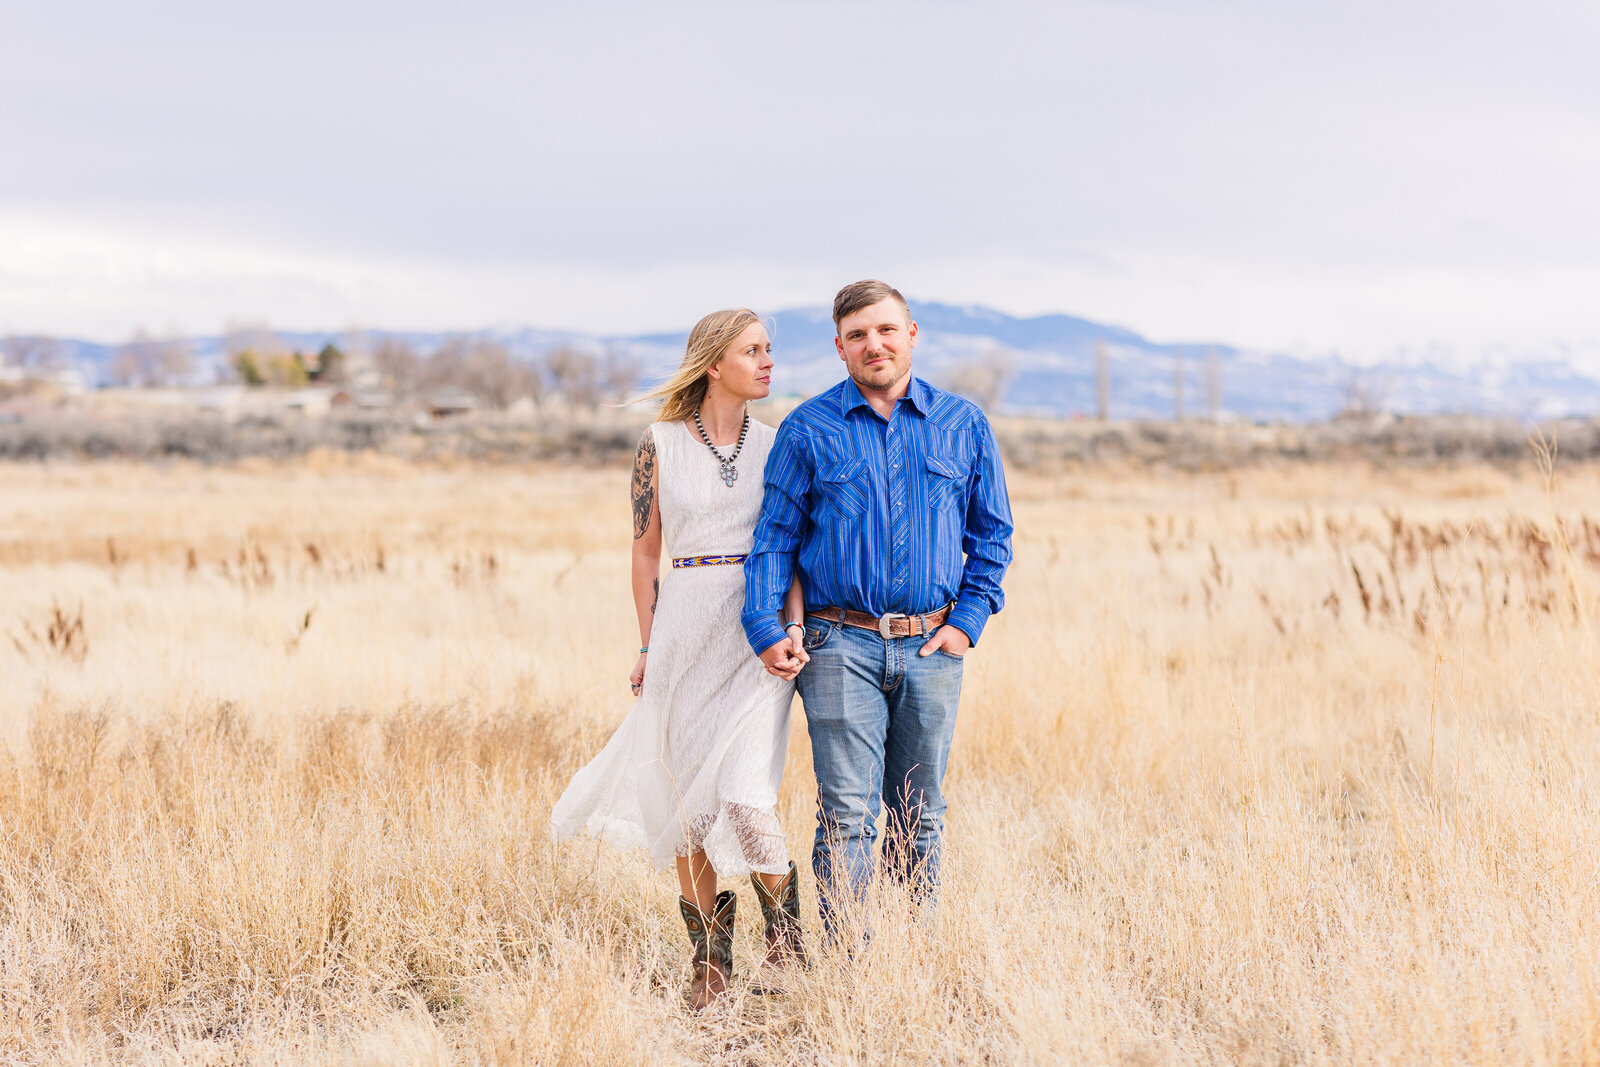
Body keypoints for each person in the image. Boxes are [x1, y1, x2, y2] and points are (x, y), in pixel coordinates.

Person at [552, 309, 810, 1010]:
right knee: (685, 808)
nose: (768, 362)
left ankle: (788, 940)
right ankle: (710, 962)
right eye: (753, 350)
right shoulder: (658, 444)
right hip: (682, 633)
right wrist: (645, 642)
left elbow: (788, 543)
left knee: (746, 798)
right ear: (714, 363)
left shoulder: (779, 444)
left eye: (769, 349)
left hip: (755, 634)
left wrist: (792, 624)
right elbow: (643, 551)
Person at [742, 280, 1014, 941]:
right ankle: (850, 967)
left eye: (887, 330)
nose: (875, 344)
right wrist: (764, 627)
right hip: (839, 645)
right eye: (859, 334)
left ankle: (915, 953)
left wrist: (965, 624)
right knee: (847, 815)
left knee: (919, 812)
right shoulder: (808, 429)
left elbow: (992, 534)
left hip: (931, 646)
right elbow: (774, 538)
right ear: (840, 346)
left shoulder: (963, 424)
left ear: (912, 334)